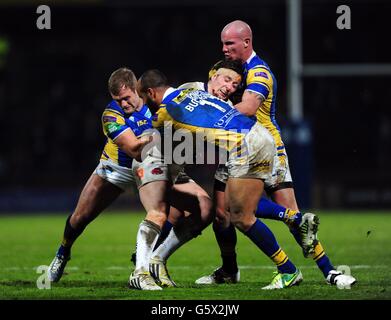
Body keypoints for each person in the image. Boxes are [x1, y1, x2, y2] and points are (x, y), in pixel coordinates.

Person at [195, 20, 356, 288]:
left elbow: (247, 108)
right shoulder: (222, 69)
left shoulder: (260, 73)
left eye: (229, 43)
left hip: (267, 150)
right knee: (222, 216)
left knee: (280, 214)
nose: (224, 49)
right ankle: (229, 270)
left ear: (247, 42)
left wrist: (207, 108)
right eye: (222, 43)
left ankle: (329, 271)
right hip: (236, 151)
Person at [137, 69, 303, 290]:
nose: (143, 104)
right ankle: (242, 266)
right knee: (228, 211)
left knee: (242, 217)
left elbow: (153, 150)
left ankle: (288, 266)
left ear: (151, 93)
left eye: (143, 98)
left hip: (244, 147)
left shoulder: (165, 113)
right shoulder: (193, 91)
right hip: (261, 135)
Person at [47, 67, 154, 283]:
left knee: (171, 212)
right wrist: (160, 136)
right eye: (117, 99)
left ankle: (144, 255)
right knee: (79, 218)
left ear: (136, 89)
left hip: (148, 169)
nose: (123, 104)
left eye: (126, 98)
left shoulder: (155, 104)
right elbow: (133, 149)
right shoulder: (110, 114)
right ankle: (62, 252)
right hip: (115, 169)